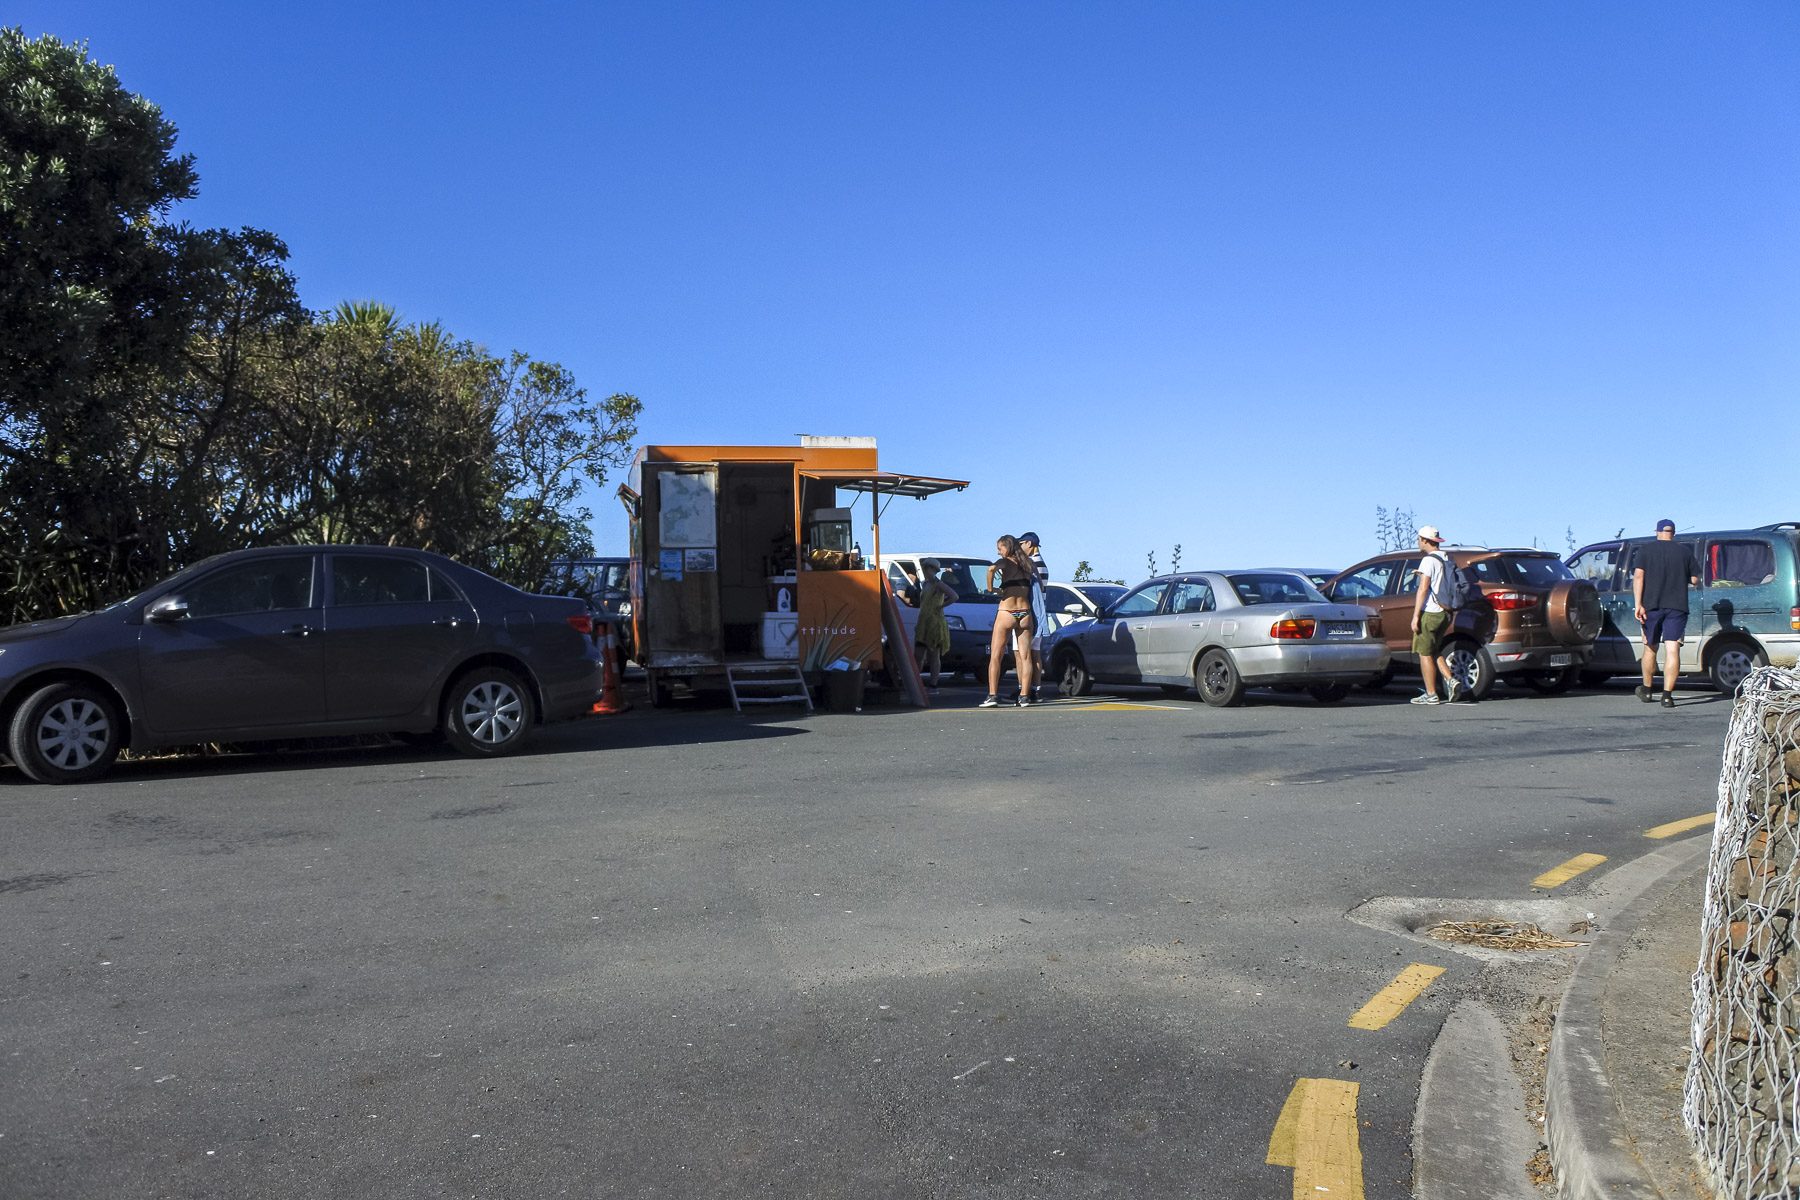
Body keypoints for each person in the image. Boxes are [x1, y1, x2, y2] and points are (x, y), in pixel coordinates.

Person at [1632, 519, 1699, 708]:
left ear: (1657, 532)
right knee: (1672, 649)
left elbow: (1638, 576)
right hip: (1677, 606)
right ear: (1674, 533)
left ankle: (1646, 690)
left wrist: (1638, 604)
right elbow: (1695, 579)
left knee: (1650, 647)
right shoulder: (1685, 552)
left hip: (1650, 606)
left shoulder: (1645, 550)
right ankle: (1667, 696)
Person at [982, 535, 1039, 707]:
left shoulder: (1006, 562)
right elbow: (1040, 586)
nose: (998, 552)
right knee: (1026, 656)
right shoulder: (1029, 563)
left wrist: (992, 589)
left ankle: (992, 696)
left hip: (1007, 611)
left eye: (1000, 548)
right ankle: (1024, 696)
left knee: (996, 656)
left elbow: (991, 569)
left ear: (1007, 547)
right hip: (1025, 613)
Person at [1408, 525, 1462, 705]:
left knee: (1424, 653)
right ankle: (1450, 680)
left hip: (1430, 612)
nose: (1418, 542)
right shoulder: (1446, 557)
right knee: (1433, 649)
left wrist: (1416, 616)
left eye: (1419, 539)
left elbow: (1423, 588)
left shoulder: (1428, 561)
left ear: (1424, 540)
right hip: (1446, 612)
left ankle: (1431, 694)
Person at [911, 558, 958, 689]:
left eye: (927, 568)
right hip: (923, 621)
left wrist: (941, 606)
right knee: (918, 654)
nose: (926, 571)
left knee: (933, 654)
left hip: (935, 622)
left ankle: (933, 683)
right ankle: (916, 681)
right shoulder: (925, 584)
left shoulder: (938, 583)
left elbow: (954, 596)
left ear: (932, 569)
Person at [1018, 532, 1049, 696]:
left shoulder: (1032, 564)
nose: (1020, 548)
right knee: (1035, 653)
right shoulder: (1041, 563)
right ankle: (1035, 689)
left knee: (1021, 654)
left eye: (1021, 543)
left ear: (1029, 544)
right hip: (1040, 613)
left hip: (1029, 613)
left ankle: (1022, 689)